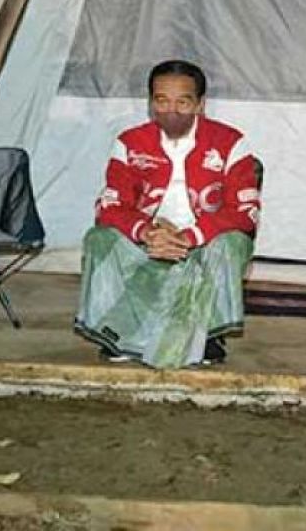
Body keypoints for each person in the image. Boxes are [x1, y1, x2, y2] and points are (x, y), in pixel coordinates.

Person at [73, 60, 261, 369]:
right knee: (99, 238)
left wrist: (189, 237)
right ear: (150, 103)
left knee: (233, 243)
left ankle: (208, 334)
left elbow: (245, 213)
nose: (171, 111)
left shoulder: (230, 142)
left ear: (200, 104)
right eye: (161, 100)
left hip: (204, 241)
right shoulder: (130, 142)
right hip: (150, 238)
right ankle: (119, 332)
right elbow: (109, 206)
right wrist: (147, 233)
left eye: (182, 102)